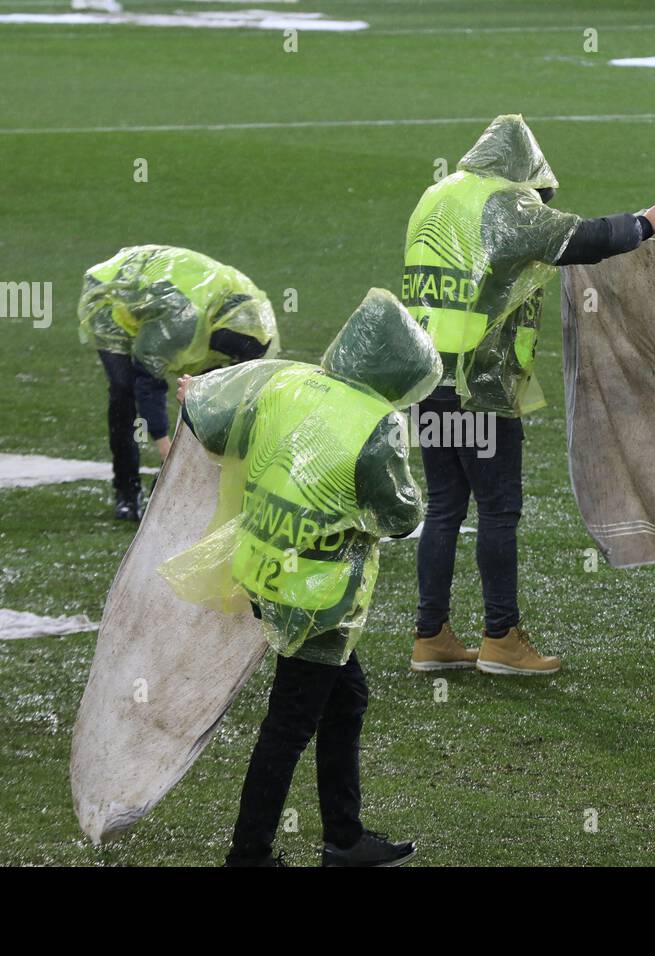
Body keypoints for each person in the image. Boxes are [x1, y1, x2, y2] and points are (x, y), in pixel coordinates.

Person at [164, 289, 441, 867]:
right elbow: (399, 517)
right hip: (319, 596)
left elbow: (214, 424)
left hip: (265, 569)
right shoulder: (377, 423)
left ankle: (344, 836)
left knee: (346, 700)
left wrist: (194, 394)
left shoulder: (287, 384)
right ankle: (251, 854)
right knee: (290, 723)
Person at [401, 114, 655, 676]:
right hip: (478, 383)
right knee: (499, 511)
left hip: (427, 379)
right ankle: (501, 638)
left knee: (446, 508)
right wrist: (645, 224)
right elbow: (581, 239)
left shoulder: (436, 197)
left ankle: (430, 636)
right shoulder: (503, 205)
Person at [78, 245, 279, 521]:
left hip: (172, 293)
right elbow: (147, 380)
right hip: (111, 294)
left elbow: (234, 391)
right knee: (124, 390)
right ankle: (127, 490)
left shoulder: (255, 318)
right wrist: (167, 454)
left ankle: (193, 476)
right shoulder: (180, 325)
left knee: (206, 389)